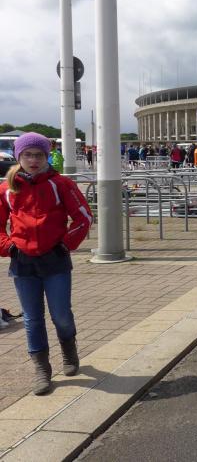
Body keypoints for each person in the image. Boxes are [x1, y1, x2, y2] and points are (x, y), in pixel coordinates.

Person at [0, 132, 93, 395]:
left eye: (39, 155)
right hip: (23, 262)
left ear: (46, 157)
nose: (33, 160)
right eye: (28, 155)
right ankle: (41, 368)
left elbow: (84, 217)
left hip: (55, 259)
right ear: (19, 157)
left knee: (61, 314)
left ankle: (69, 351)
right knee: (32, 318)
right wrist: (9, 246)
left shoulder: (60, 183)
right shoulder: (7, 189)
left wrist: (65, 244)